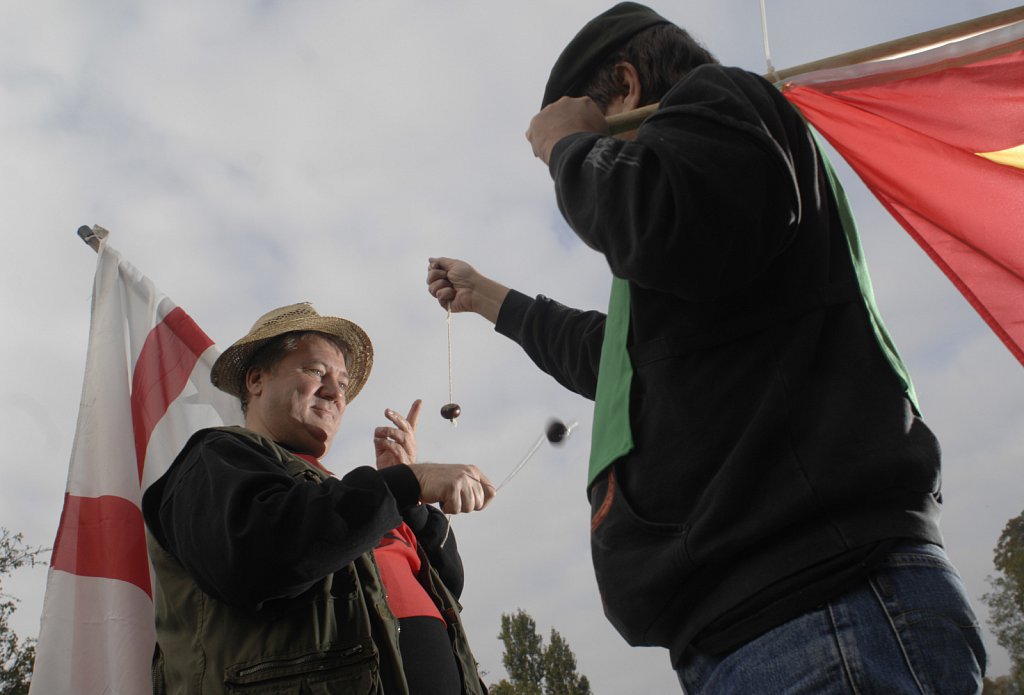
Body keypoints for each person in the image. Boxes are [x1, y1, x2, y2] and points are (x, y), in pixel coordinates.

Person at [426, 3, 986, 693]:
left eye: (587, 119)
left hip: (822, 609)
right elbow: (618, 362)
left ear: (626, 85)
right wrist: (485, 297)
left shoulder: (719, 100)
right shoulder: (702, 222)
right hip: (764, 629)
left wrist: (568, 147)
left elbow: (652, 219)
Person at [142, 302, 494, 694]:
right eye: (314, 371)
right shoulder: (213, 459)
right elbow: (260, 557)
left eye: (342, 383)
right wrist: (408, 480)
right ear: (256, 380)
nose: (334, 391)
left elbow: (447, 587)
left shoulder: (349, 496)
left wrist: (409, 501)